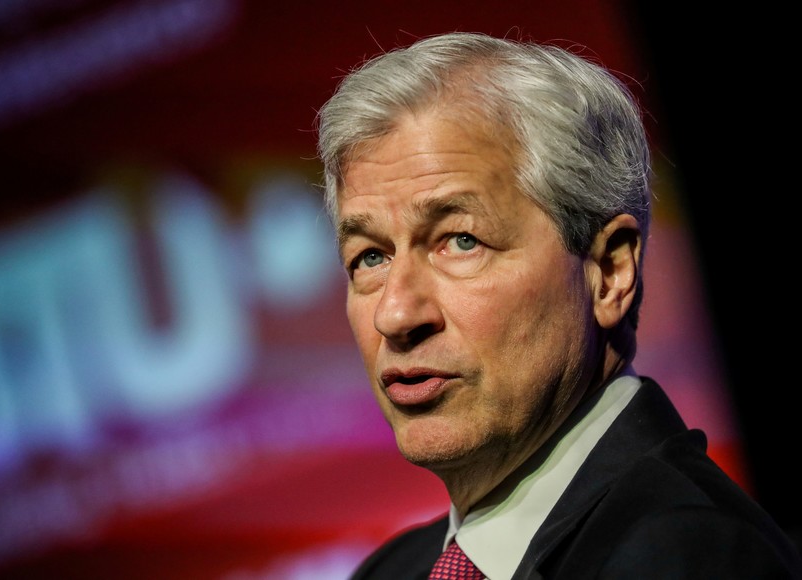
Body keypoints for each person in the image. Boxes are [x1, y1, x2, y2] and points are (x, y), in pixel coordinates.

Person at [315, 31, 802, 579]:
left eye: (461, 240)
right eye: (370, 257)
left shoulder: (692, 556)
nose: (395, 315)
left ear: (611, 271)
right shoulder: (391, 572)